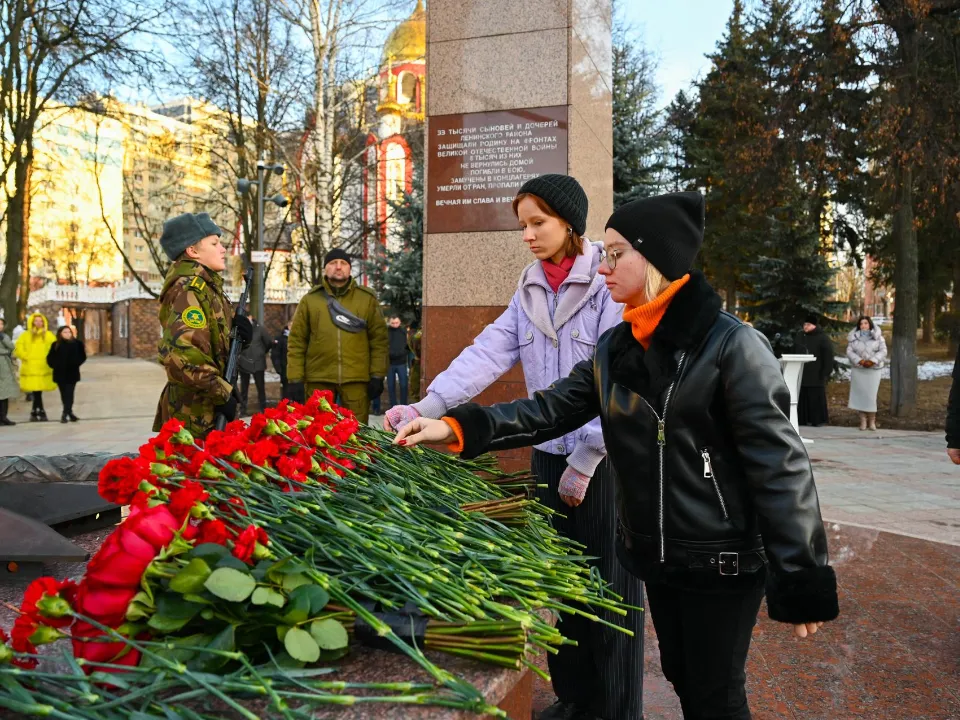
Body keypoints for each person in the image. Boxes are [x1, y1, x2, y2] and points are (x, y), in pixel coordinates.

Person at [394, 191, 840, 720]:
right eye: (603, 252)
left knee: (716, 693)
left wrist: (801, 574)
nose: (602, 265)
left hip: (721, 557)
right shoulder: (620, 347)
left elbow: (780, 466)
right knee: (683, 677)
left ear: (654, 258)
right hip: (658, 554)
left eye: (615, 253)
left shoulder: (731, 346)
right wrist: (452, 426)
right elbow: (549, 408)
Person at [385, 174, 639, 720]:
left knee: (611, 594)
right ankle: (575, 700)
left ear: (570, 222)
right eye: (522, 224)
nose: (526, 234)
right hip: (548, 455)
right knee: (561, 585)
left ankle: (616, 710)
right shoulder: (529, 287)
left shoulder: (606, 283)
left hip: (604, 464)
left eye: (537, 223)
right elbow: (486, 354)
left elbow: (620, 383)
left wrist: (590, 456)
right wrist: (427, 408)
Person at [154, 212, 252, 438]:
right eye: (214, 243)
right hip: (193, 415)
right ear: (193, 251)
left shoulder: (208, 288)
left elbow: (211, 348)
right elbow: (182, 355)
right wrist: (222, 393)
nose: (223, 249)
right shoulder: (188, 289)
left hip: (205, 409)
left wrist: (240, 337)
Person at [286, 248, 387, 424]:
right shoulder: (310, 300)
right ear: (325, 268)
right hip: (318, 380)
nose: (338, 267)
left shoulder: (367, 299)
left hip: (356, 380)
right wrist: (294, 379)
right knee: (319, 435)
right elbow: (297, 343)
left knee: (357, 436)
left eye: (344, 263)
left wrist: (378, 375)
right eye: (333, 263)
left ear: (350, 269)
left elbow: (379, 341)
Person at [846, 315, 887, 431]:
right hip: (859, 369)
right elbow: (849, 351)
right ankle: (863, 421)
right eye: (861, 324)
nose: (864, 326)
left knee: (871, 396)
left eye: (866, 323)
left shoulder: (878, 337)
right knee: (861, 395)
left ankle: (872, 421)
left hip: (873, 371)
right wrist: (859, 360)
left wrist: (872, 361)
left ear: (870, 325)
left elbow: (883, 351)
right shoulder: (853, 338)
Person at [14, 313, 56, 421]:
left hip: (43, 366)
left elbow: (54, 347)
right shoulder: (25, 336)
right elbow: (18, 348)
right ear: (32, 322)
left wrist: (50, 359)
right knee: (36, 390)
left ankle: (35, 411)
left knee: (38, 390)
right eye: (36, 321)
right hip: (30, 366)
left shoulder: (48, 335)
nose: (38, 323)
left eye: (40, 321)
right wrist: (26, 357)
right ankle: (40, 411)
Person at [795, 315, 835, 427]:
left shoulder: (822, 338)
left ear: (814, 325)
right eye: (804, 324)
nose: (805, 327)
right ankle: (802, 419)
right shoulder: (800, 336)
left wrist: (825, 372)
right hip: (802, 372)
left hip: (817, 373)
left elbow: (828, 356)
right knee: (803, 397)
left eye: (808, 325)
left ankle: (817, 420)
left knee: (815, 397)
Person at [46, 326, 87, 423]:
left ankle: (65, 413)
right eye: (65, 332)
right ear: (60, 334)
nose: (67, 334)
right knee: (64, 394)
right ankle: (70, 413)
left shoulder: (77, 344)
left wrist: (76, 363)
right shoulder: (56, 345)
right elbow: (50, 358)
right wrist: (55, 365)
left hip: (72, 373)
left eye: (69, 332)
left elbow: (83, 356)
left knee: (69, 393)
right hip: (60, 373)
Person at [238, 316, 273, 415]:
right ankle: (243, 409)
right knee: (244, 388)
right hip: (244, 362)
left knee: (260, 387)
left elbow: (268, 342)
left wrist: (261, 353)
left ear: (251, 318)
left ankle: (263, 408)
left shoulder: (260, 329)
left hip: (258, 363)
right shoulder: (241, 330)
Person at [386, 315, 410, 408]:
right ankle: (393, 406)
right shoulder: (386, 332)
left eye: (396, 323)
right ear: (389, 323)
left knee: (404, 385)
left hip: (401, 362)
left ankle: (404, 406)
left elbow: (408, 345)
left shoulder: (404, 332)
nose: (395, 325)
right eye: (392, 323)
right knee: (391, 386)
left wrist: (404, 352)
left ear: (400, 323)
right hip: (390, 363)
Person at [0, 319, 18, 426]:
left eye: (1, 324)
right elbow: (8, 350)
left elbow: (12, 347)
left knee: (5, 391)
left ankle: (3, 416)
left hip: (4, 365)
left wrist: (3, 339)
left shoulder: (4, 336)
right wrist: (4, 351)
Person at [271, 320, 291, 400]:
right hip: (285, 369)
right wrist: (278, 368)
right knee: (286, 391)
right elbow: (275, 354)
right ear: (288, 326)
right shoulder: (281, 338)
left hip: (297, 370)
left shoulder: (300, 336)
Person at [408, 321, 422, 402]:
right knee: (415, 392)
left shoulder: (415, 333)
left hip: (418, 365)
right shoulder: (415, 333)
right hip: (418, 364)